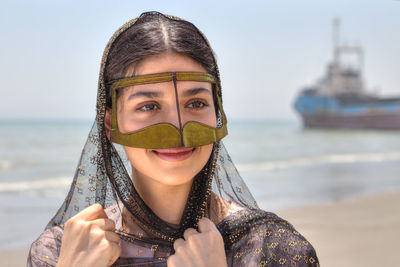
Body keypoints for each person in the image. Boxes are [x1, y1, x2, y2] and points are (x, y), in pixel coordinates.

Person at [27, 11, 319, 267]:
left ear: (218, 114)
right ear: (109, 124)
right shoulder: (59, 252)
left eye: (196, 104)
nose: (178, 128)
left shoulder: (272, 249)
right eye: (149, 107)